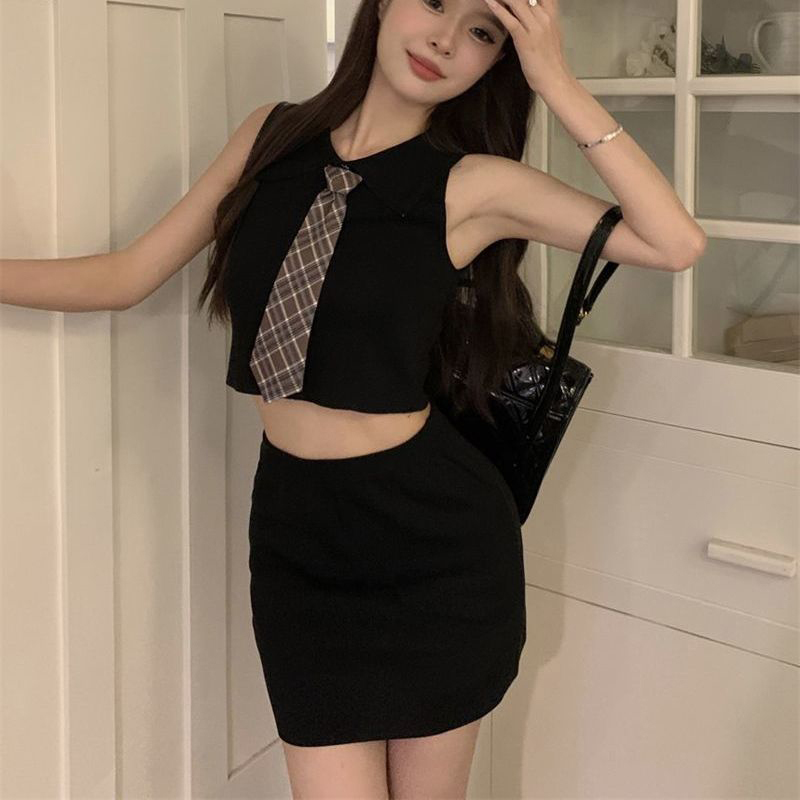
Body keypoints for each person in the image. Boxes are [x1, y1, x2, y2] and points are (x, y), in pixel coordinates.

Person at [0, 0, 706, 797]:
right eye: (434, 2)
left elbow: (674, 242)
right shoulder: (272, 136)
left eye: (482, 32)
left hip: (434, 546)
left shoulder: (473, 185)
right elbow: (126, 275)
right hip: (297, 536)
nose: (445, 38)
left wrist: (556, 80)